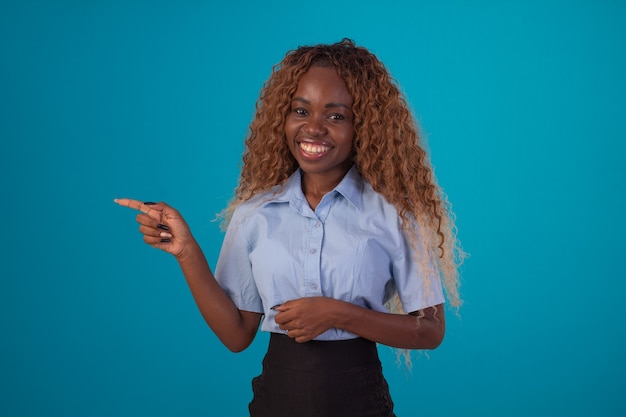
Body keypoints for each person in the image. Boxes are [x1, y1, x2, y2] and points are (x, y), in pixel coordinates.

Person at [115, 38, 464, 417]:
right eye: (301, 110)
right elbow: (236, 335)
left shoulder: (394, 217)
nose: (313, 129)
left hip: (360, 402)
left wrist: (337, 313)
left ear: (362, 125)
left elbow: (430, 331)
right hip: (275, 401)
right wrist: (186, 252)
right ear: (282, 116)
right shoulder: (255, 215)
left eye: (335, 116)